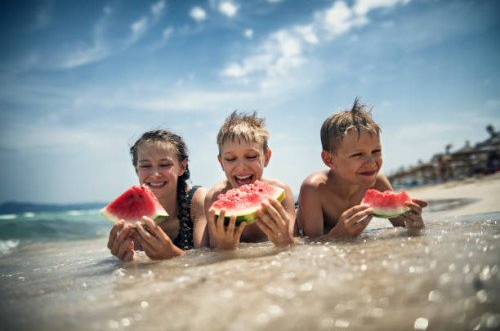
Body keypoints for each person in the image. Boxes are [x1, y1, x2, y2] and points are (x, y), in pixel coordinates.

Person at [297, 98, 427, 240]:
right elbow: (310, 242)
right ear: (330, 160)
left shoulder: (378, 182)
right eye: (358, 154)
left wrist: (414, 225)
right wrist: (336, 236)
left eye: (376, 151)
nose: (371, 163)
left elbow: (402, 227)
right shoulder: (314, 188)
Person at [107, 129, 207, 262]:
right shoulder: (134, 214)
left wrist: (171, 253)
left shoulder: (198, 200)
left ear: (182, 167)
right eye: (146, 166)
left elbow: (208, 260)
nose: (155, 174)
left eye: (165, 165)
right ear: (137, 171)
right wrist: (127, 260)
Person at [204, 110, 297, 250]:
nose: (241, 167)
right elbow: (211, 251)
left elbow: (295, 244)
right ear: (221, 162)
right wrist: (225, 247)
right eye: (230, 159)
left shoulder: (282, 193)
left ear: (267, 157)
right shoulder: (214, 198)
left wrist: (285, 240)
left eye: (252, 156)